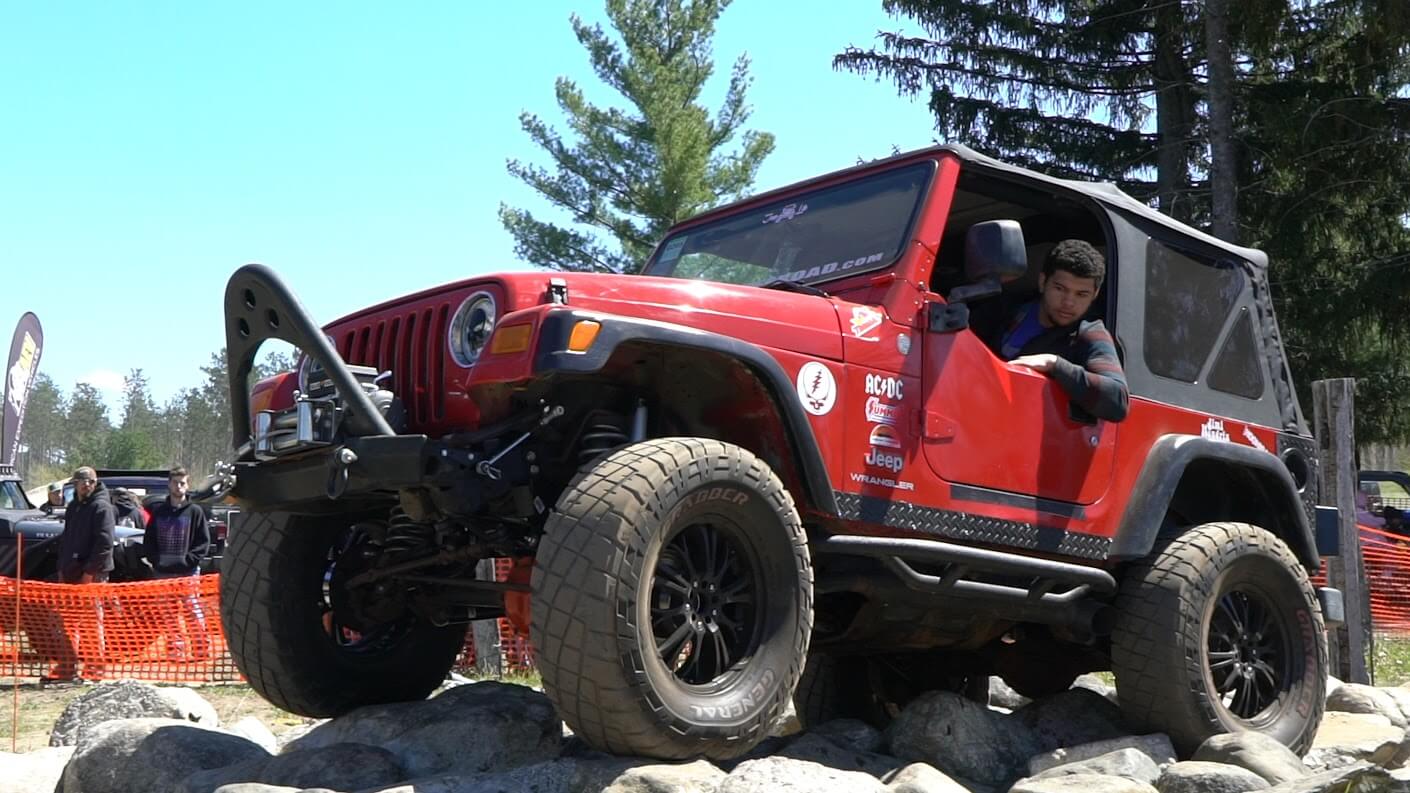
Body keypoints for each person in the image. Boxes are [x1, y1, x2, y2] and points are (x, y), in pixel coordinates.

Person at [985, 239, 1129, 423]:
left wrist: (1055, 364)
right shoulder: (1005, 308)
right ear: (1042, 282)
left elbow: (1118, 401)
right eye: (1060, 289)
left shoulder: (1088, 333)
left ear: (1095, 294)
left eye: (1081, 294)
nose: (1068, 302)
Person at [43, 465, 115, 682]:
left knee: (91, 623)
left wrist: (89, 573)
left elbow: (104, 544)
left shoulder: (102, 507)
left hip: (93, 575)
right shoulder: (74, 506)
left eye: (89, 482)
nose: (85, 485)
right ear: (75, 484)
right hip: (70, 572)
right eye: (80, 482)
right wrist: (62, 568)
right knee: (67, 623)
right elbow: (66, 540)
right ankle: (67, 667)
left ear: (95, 483)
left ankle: (95, 668)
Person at [143, 466, 210, 660]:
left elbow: (203, 542)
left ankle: (200, 648)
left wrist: (189, 561)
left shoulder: (195, 511)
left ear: (187, 485)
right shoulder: (159, 512)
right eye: (175, 482)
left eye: (182, 483)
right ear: (169, 484)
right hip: (163, 573)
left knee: (193, 611)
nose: (179, 486)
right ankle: (175, 650)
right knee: (168, 614)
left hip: (188, 573)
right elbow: (149, 541)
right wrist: (156, 561)